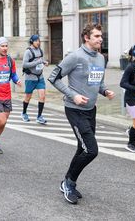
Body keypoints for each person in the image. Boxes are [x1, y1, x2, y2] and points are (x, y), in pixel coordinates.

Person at [48, 23, 115, 205]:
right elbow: (53, 77)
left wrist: (105, 91)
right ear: (86, 37)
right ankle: (68, 183)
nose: (100, 39)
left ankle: (69, 182)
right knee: (91, 150)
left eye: (101, 36)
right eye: (96, 36)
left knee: (82, 148)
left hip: (90, 110)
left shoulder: (101, 58)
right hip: (74, 110)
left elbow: (98, 82)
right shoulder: (75, 57)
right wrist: (73, 95)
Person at [21, 35, 49, 124]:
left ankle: (39, 116)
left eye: (39, 41)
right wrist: (37, 62)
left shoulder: (40, 50)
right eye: (36, 41)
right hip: (30, 78)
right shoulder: (28, 52)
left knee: (42, 96)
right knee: (28, 97)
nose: (38, 42)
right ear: (32, 41)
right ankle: (24, 113)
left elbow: (41, 60)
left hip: (40, 77)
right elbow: (24, 65)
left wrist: (45, 62)